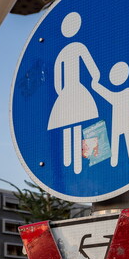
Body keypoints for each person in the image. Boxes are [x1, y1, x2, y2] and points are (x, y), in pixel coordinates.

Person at [47, 11, 101, 175]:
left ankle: (69, 163)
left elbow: (57, 79)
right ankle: (78, 165)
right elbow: (93, 68)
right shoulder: (78, 47)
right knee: (80, 125)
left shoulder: (63, 52)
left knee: (67, 127)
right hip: (77, 91)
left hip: (67, 92)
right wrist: (95, 80)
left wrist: (61, 93)